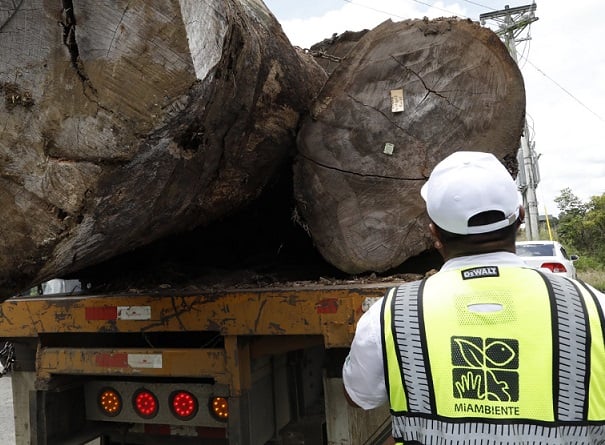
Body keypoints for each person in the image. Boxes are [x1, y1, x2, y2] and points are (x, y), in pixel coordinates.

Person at [342, 151, 605, 445]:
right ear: (520, 218)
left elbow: (358, 396)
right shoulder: (595, 309)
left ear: (435, 234)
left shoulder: (390, 314)